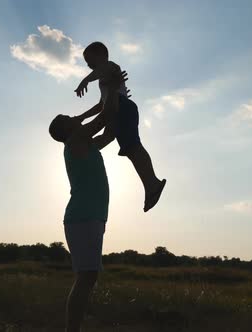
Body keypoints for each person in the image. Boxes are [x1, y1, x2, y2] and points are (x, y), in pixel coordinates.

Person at [49, 70, 127, 332]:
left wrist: (120, 99)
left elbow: (109, 133)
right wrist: (113, 89)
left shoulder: (82, 142)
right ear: (65, 129)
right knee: (86, 278)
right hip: (83, 217)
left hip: (90, 217)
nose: (72, 115)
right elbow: (104, 117)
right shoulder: (75, 141)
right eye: (67, 117)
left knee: (88, 277)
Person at [74, 41, 166, 212]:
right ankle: (82, 157)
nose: (88, 66)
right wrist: (81, 117)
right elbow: (101, 105)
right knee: (105, 139)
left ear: (102, 55)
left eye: (89, 60)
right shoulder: (104, 79)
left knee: (132, 147)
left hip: (122, 107)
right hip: (114, 109)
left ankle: (152, 183)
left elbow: (102, 71)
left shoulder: (111, 67)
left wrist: (85, 80)